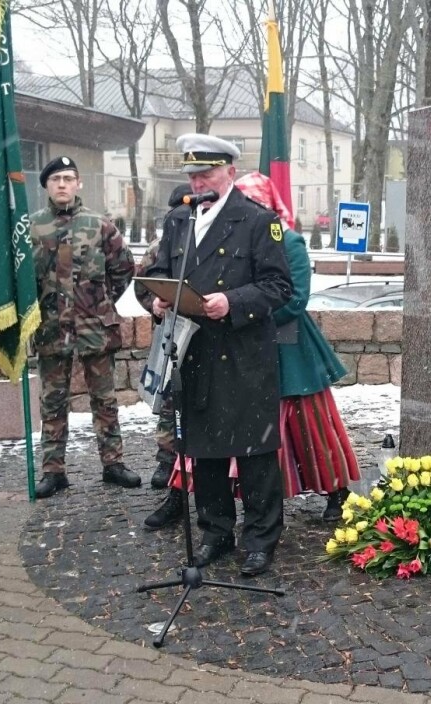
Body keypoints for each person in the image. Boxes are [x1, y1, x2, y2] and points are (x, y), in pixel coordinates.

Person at [142, 173, 359, 532]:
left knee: (303, 432)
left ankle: (332, 490)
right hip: (222, 345)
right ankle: (182, 496)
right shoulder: (205, 229)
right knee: (208, 432)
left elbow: (292, 297)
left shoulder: (287, 240)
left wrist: (242, 314)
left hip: (284, 349)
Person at [141, 134, 293, 576]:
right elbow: (153, 274)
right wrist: (155, 300)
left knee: (254, 454)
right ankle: (215, 532)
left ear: (230, 171)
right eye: (191, 174)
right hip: (195, 354)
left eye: (206, 173)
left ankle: (261, 538)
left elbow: (279, 287)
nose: (198, 181)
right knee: (204, 452)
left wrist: (234, 301)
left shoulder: (258, 221)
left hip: (243, 354)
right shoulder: (178, 221)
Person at [29, 156, 141, 498]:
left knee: (105, 399)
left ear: (79, 184)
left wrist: (98, 301)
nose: (62, 184)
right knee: (53, 402)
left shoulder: (100, 225)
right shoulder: (32, 227)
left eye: (68, 178)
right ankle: (53, 470)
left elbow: (123, 270)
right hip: (51, 328)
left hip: (95, 327)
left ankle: (113, 464)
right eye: (55, 179)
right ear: (46, 185)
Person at [139, 184, 193, 490]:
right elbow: (142, 286)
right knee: (168, 398)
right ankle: (165, 460)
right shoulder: (158, 247)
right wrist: (156, 306)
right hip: (170, 334)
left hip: (199, 331)